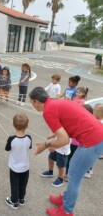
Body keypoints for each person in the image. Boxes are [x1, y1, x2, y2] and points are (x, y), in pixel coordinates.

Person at [29, 87, 103, 216]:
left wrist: (45, 145)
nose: (32, 105)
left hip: (92, 141)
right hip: (97, 135)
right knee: (73, 172)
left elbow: (63, 140)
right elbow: (69, 122)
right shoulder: (56, 102)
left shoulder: (47, 111)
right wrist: (54, 136)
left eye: (32, 103)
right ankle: (65, 199)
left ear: (36, 101)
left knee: (73, 176)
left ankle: (67, 211)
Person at [5, 113, 32, 210]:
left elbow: (7, 149)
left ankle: (14, 201)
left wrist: (9, 141)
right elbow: (29, 147)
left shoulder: (11, 139)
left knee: (15, 184)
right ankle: (21, 198)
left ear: (13, 125)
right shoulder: (29, 138)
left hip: (15, 167)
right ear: (27, 126)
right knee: (23, 183)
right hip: (25, 166)